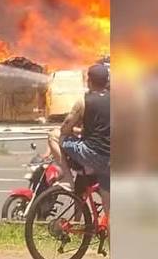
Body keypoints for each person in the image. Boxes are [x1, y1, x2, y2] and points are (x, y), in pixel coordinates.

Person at [47, 63, 110, 220]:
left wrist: (75, 130)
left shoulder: (83, 101)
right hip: (111, 157)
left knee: (54, 135)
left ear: (88, 81)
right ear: (107, 82)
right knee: (110, 214)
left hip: (91, 154)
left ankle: (67, 180)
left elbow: (64, 129)